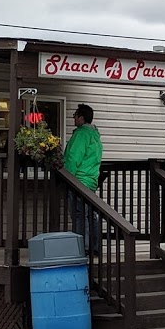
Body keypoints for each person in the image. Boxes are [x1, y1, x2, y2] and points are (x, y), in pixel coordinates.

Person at [63, 104, 103, 253]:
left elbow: (73, 158)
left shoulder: (81, 134)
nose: (73, 117)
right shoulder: (95, 135)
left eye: (75, 115)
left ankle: (82, 248)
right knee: (90, 215)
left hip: (78, 180)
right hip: (91, 180)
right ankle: (94, 247)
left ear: (81, 117)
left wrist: (66, 177)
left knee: (79, 215)